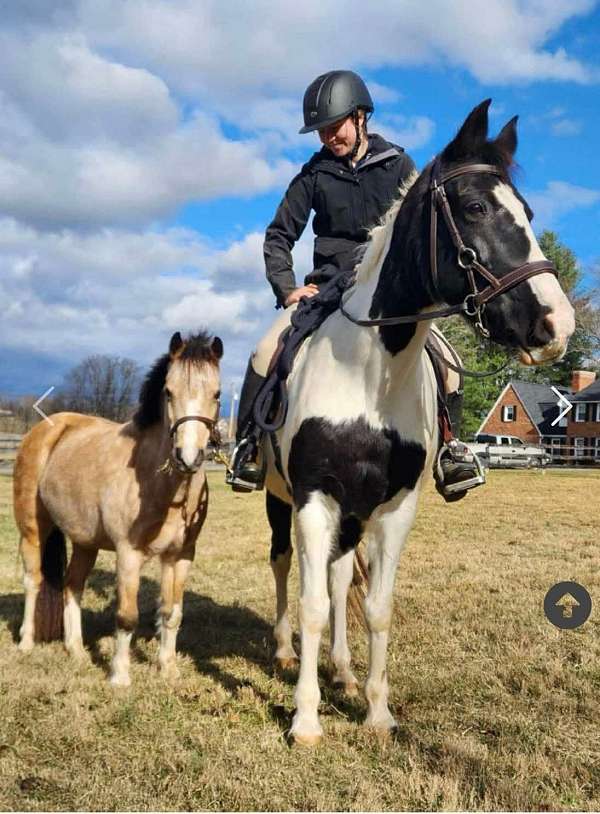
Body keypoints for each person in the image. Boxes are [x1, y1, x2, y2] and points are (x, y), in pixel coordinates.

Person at [226, 70, 485, 501]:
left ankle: (451, 448)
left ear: (361, 116)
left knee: (448, 362)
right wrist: (287, 288)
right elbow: (278, 236)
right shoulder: (314, 174)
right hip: (326, 290)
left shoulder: (400, 166)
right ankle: (249, 448)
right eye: (321, 131)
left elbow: (423, 230)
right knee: (265, 349)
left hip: (388, 292)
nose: (328, 137)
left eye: (335, 125)